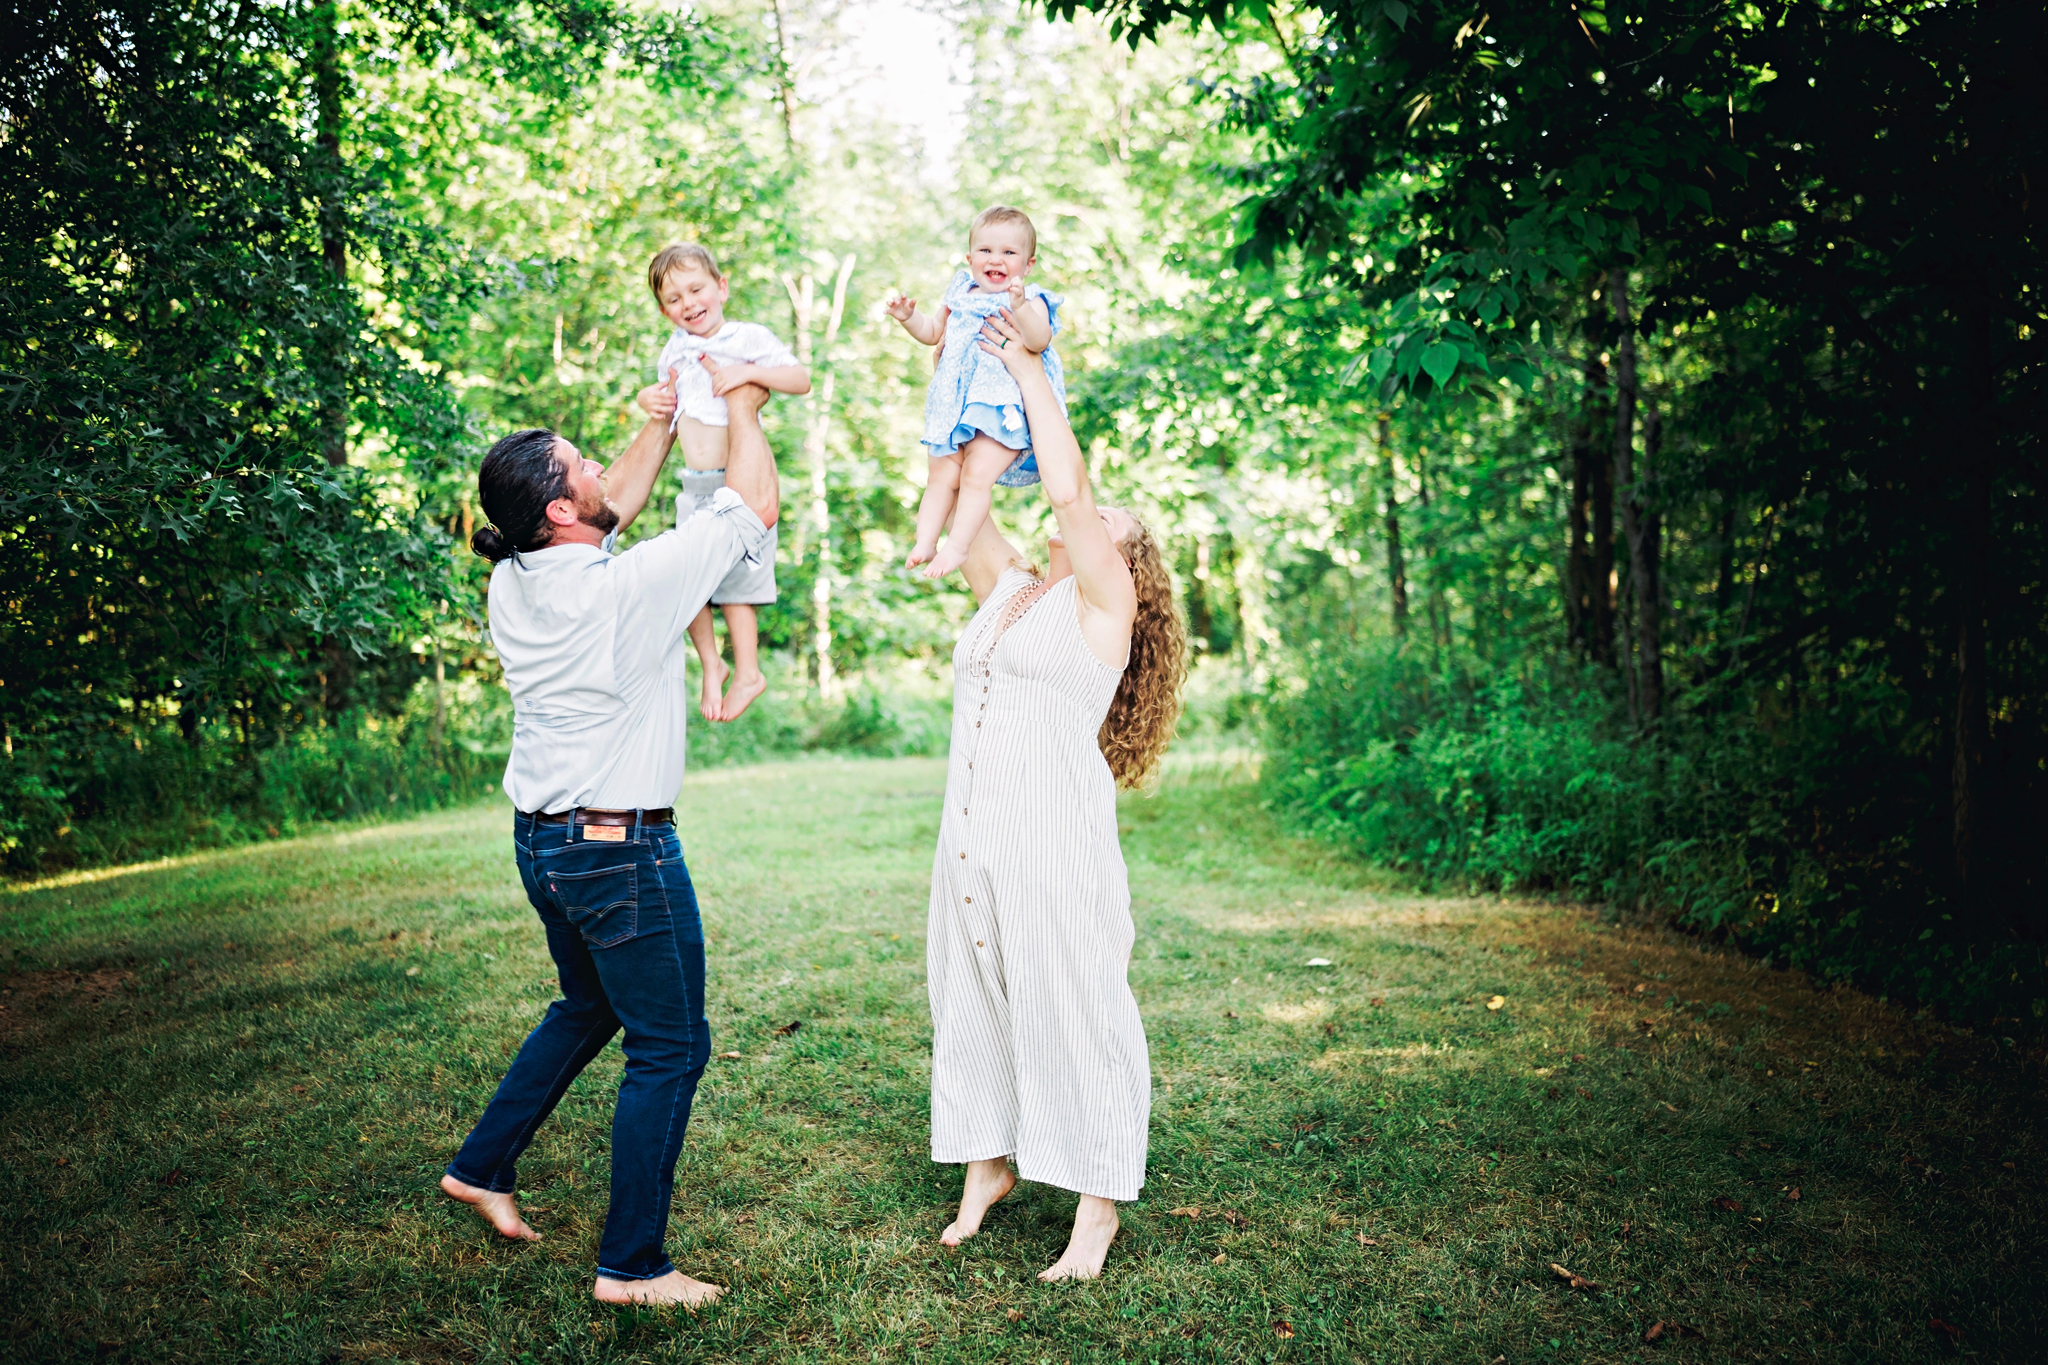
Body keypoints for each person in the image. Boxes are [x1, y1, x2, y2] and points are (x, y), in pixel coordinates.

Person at [437, 358, 781, 1309]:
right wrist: (743, 401)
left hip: (542, 845)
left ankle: (482, 1164)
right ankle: (633, 1266)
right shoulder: (628, 590)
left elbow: (609, 504)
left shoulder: (516, 573)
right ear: (559, 510)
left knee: (587, 1004)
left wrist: (664, 423)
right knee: (669, 1046)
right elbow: (755, 498)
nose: (598, 469)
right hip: (618, 850)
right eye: (580, 463)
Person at [924, 306, 1188, 1280]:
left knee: (1072, 1005)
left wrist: (1035, 368)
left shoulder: (1101, 606)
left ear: (1129, 565)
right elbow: (962, 483)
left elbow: (1069, 489)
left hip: (1053, 841)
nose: (1087, 517)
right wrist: (952, 359)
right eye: (1086, 519)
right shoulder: (1009, 589)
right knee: (974, 993)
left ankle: (1095, 1203)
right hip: (968, 835)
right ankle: (988, 1162)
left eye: (1107, 527)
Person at [649, 242, 811, 722]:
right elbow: (665, 399)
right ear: (664, 311)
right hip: (693, 482)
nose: (688, 304)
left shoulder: (746, 337)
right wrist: (648, 399)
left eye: (696, 289)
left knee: (739, 582)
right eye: (674, 299)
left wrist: (748, 372)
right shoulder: (674, 349)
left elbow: (799, 378)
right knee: (688, 578)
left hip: (737, 479)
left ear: (720, 288)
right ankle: (711, 662)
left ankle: (749, 671)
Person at [884, 205, 1065, 580]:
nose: (995, 259)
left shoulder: (1032, 300)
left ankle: (959, 546)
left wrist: (1018, 307)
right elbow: (933, 332)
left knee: (975, 476)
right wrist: (907, 319)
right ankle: (924, 540)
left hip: (1000, 408)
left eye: (1009, 253)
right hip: (954, 406)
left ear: (1028, 264)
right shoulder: (961, 291)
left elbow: (1038, 339)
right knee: (940, 476)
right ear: (970, 258)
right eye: (985, 251)